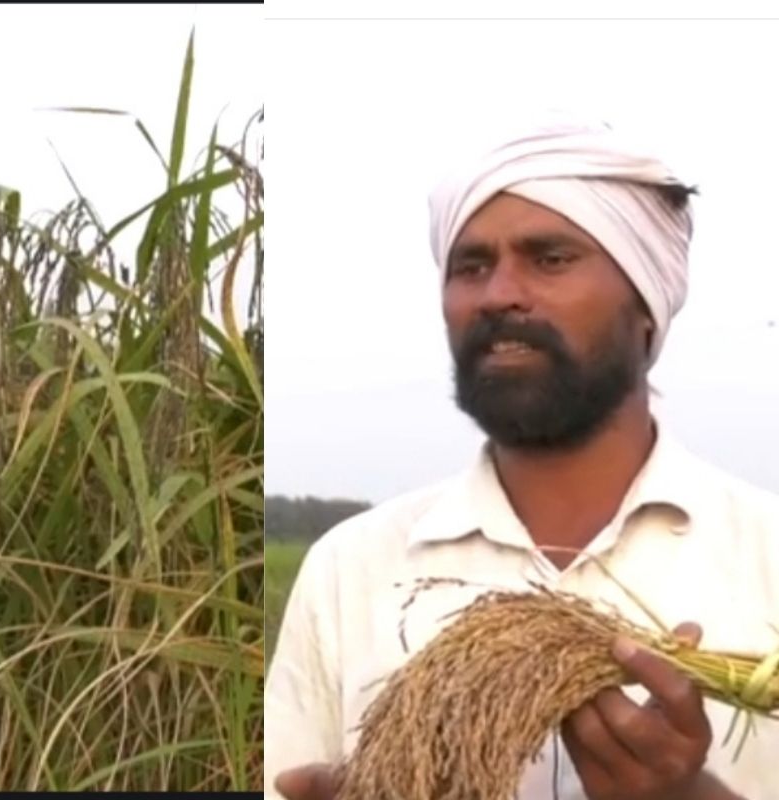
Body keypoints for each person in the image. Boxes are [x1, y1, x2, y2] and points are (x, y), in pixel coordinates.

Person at [263, 112, 779, 800]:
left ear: (646, 303)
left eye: (551, 258)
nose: (499, 294)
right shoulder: (351, 570)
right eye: (470, 266)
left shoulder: (766, 557)